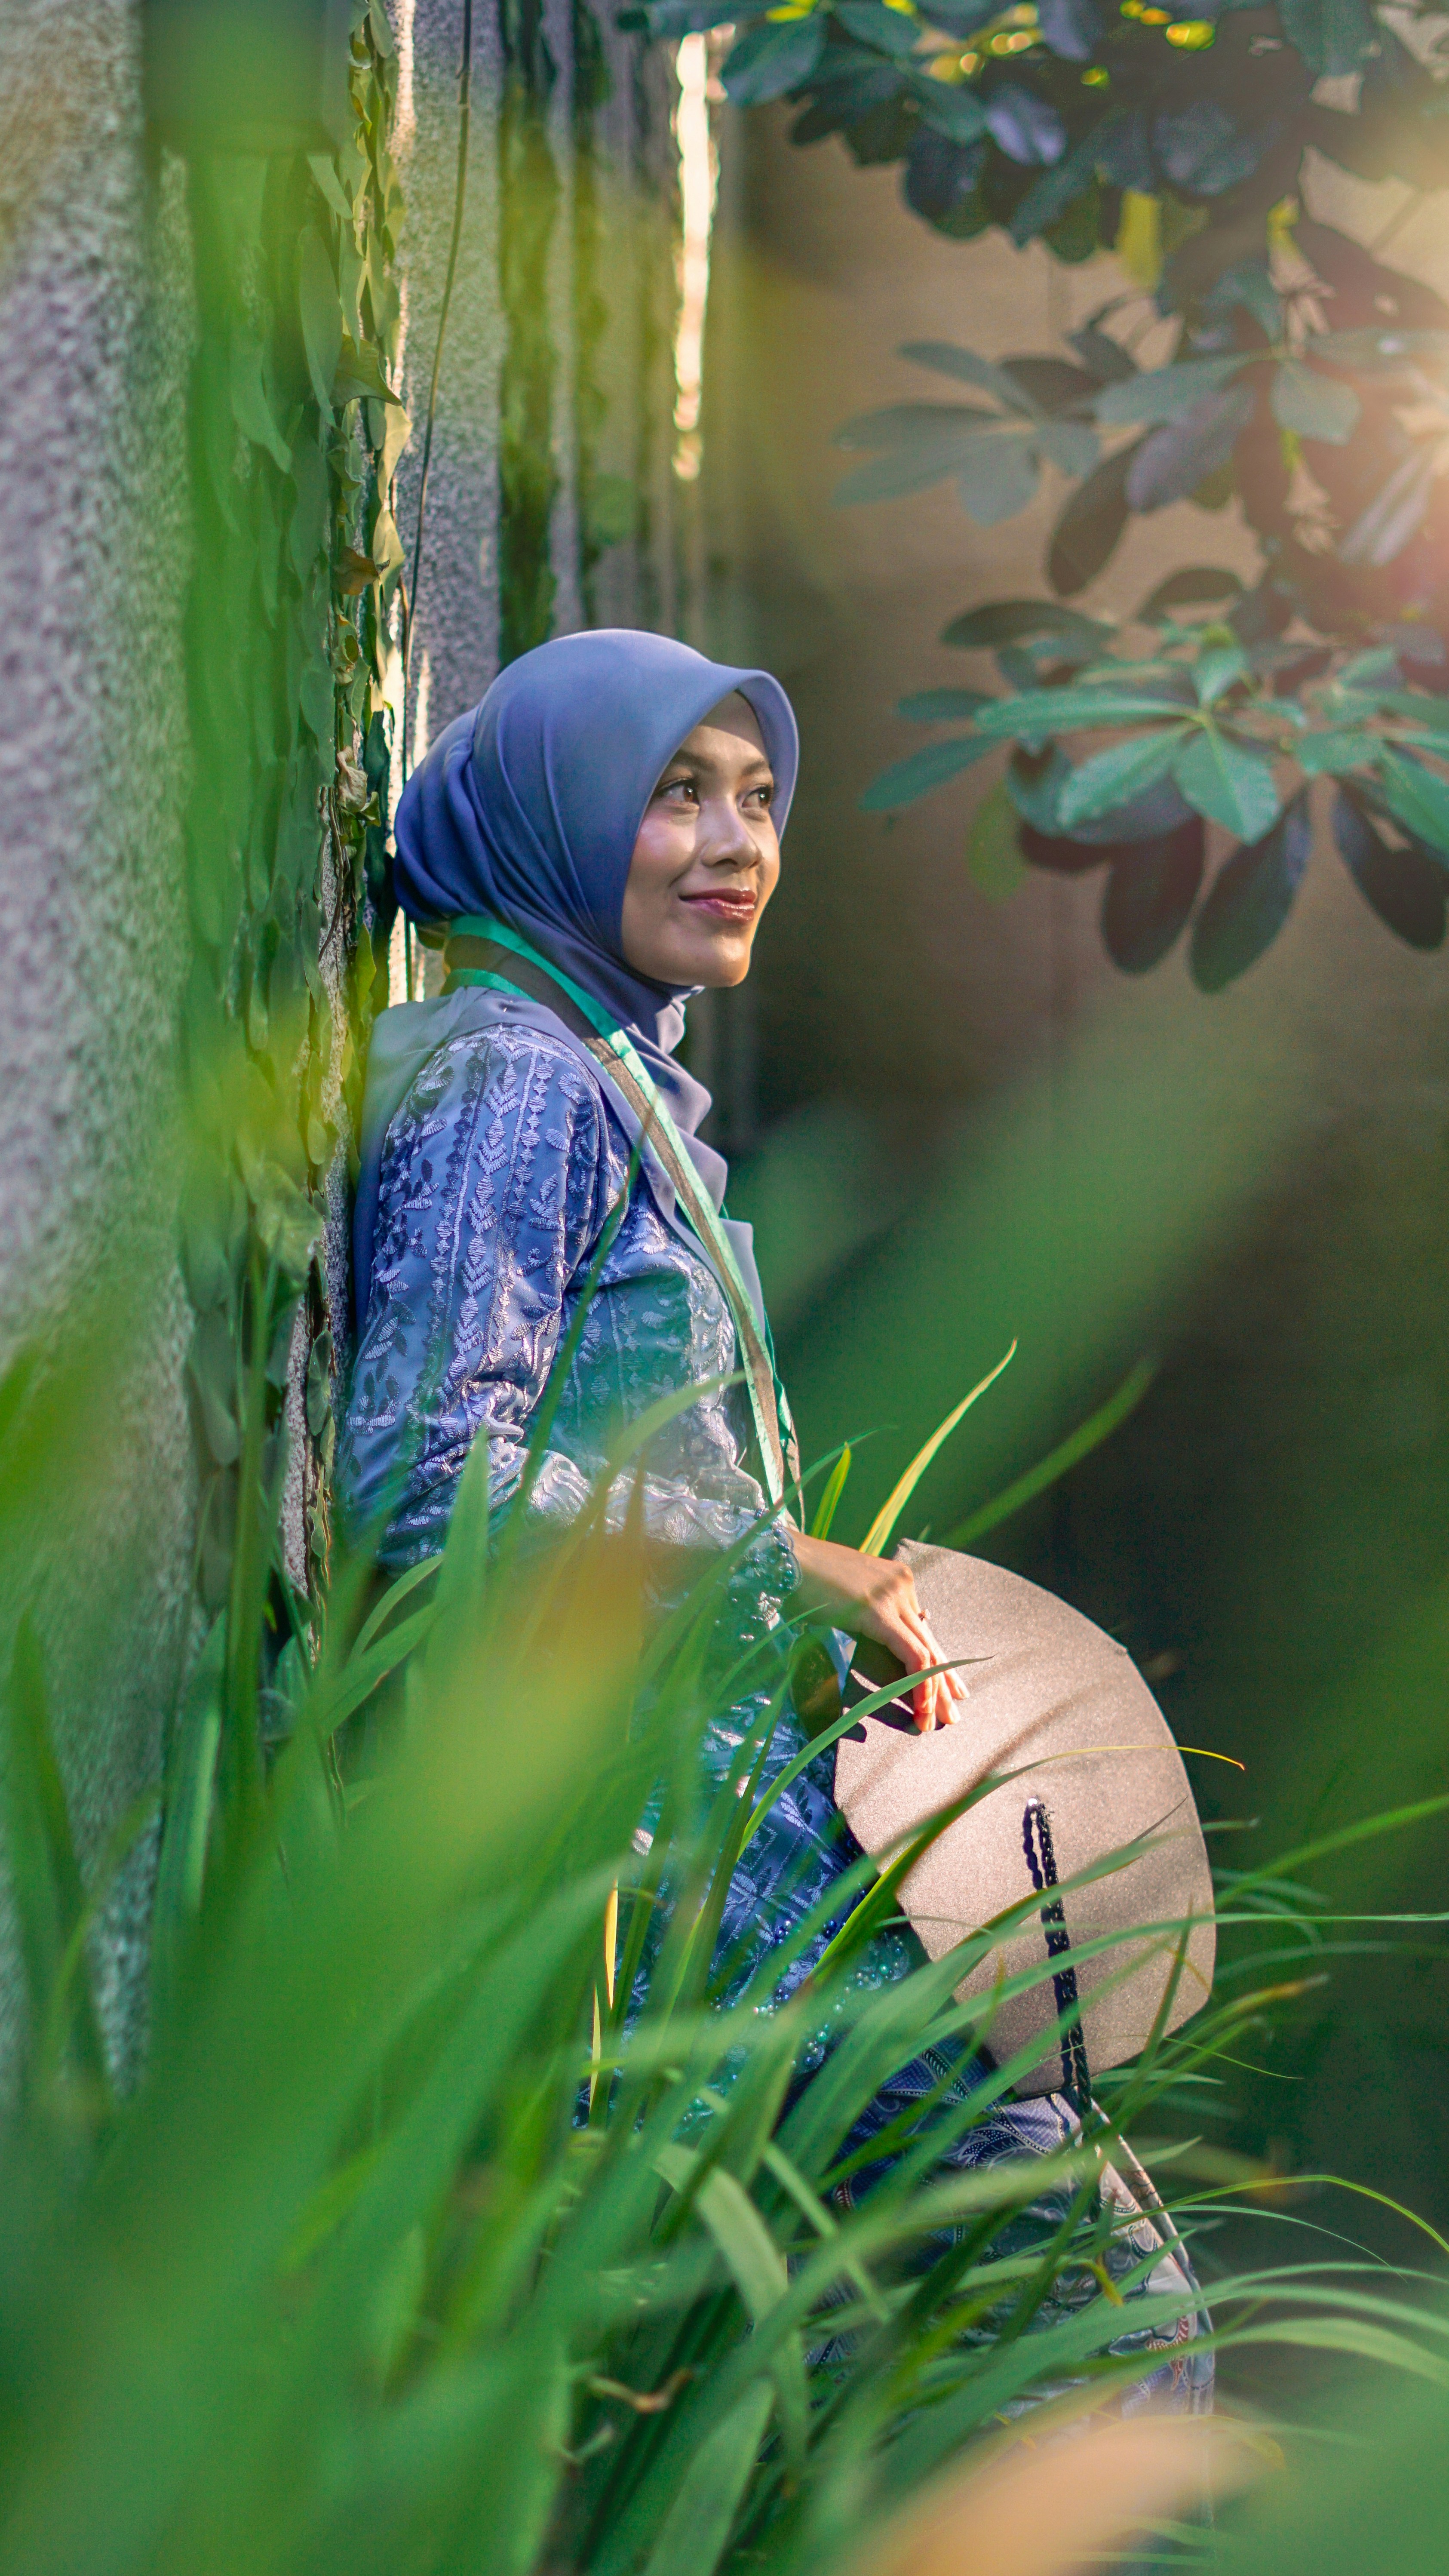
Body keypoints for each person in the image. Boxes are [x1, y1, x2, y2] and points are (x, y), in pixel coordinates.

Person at [340, 628, 1210, 2413]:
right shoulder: (521, 1079)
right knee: (1106, 2334)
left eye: (758, 798)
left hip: (732, 1841)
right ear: (559, 808)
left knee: (870, 2386)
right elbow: (415, 1473)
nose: (739, 841)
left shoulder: (606, 1081)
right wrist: (782, 1568)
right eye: (676, 791)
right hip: (657, 1870)